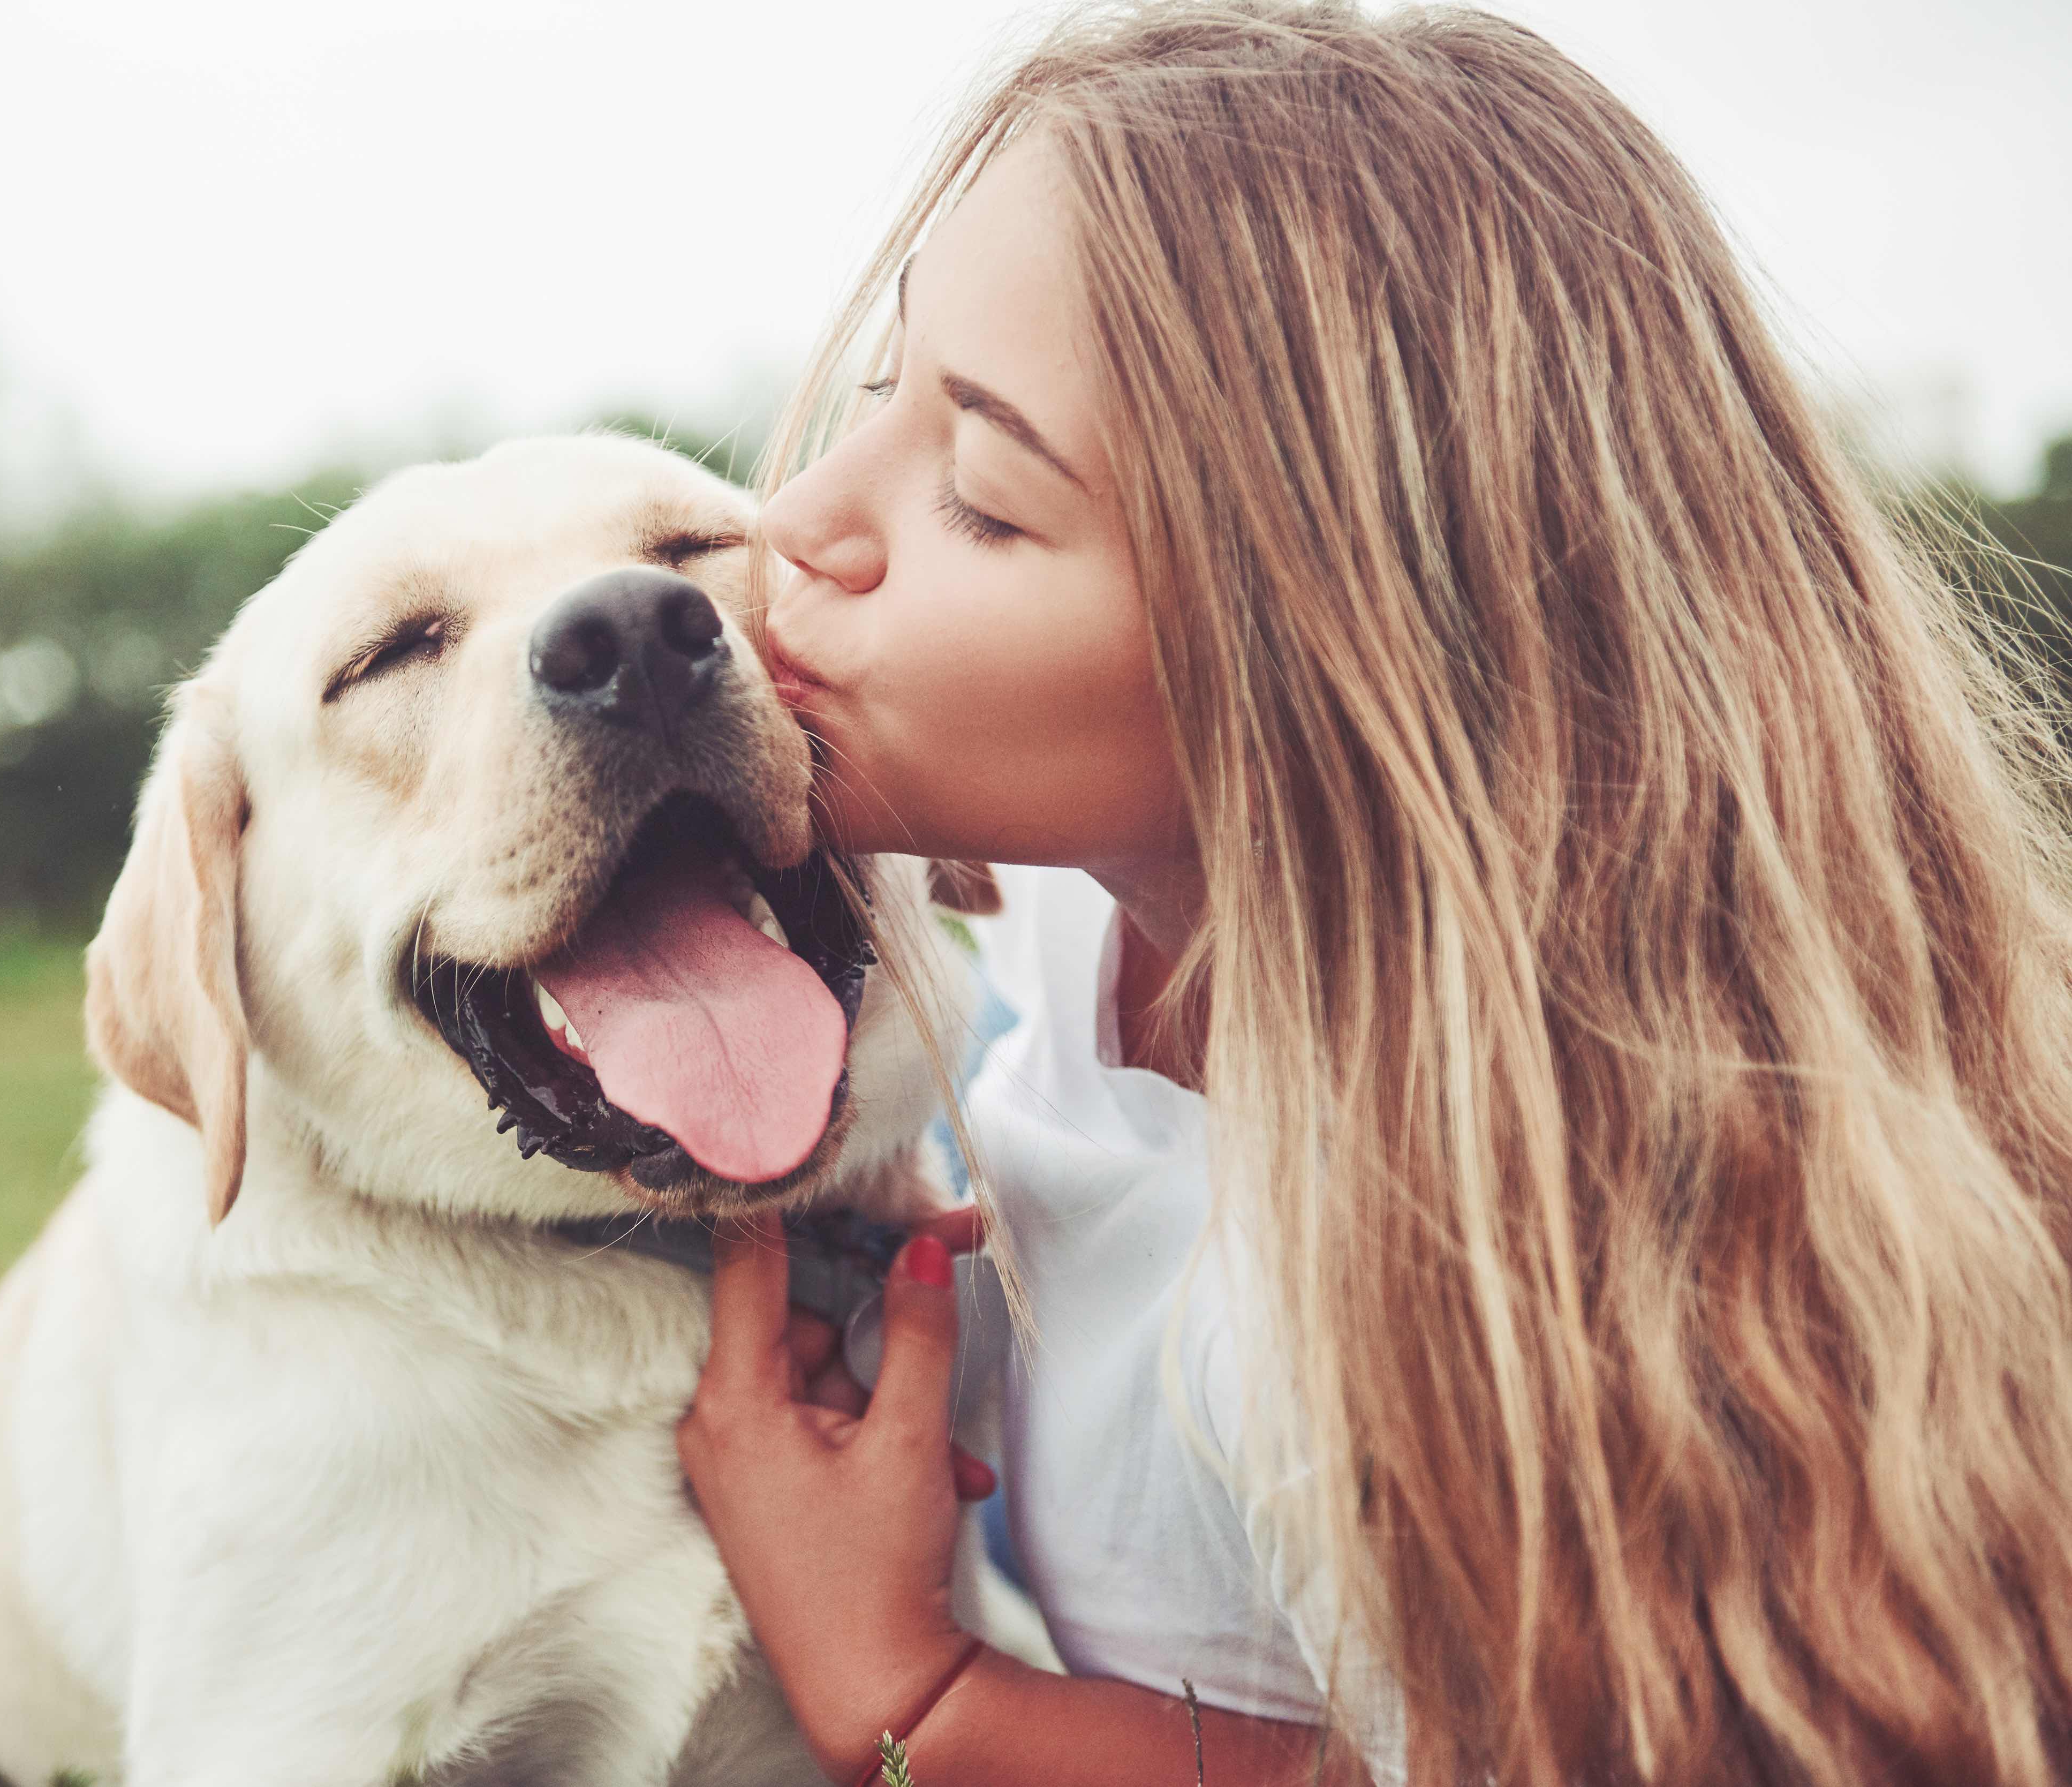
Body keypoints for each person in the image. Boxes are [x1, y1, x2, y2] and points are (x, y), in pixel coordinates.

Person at [668, 4, 2072, 1784]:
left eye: (985, 499)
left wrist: (923, 1694)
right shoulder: (1089, 905)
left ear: (1322, 664)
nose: (798, 521)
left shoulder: (1497, 1261)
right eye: (887, 390)